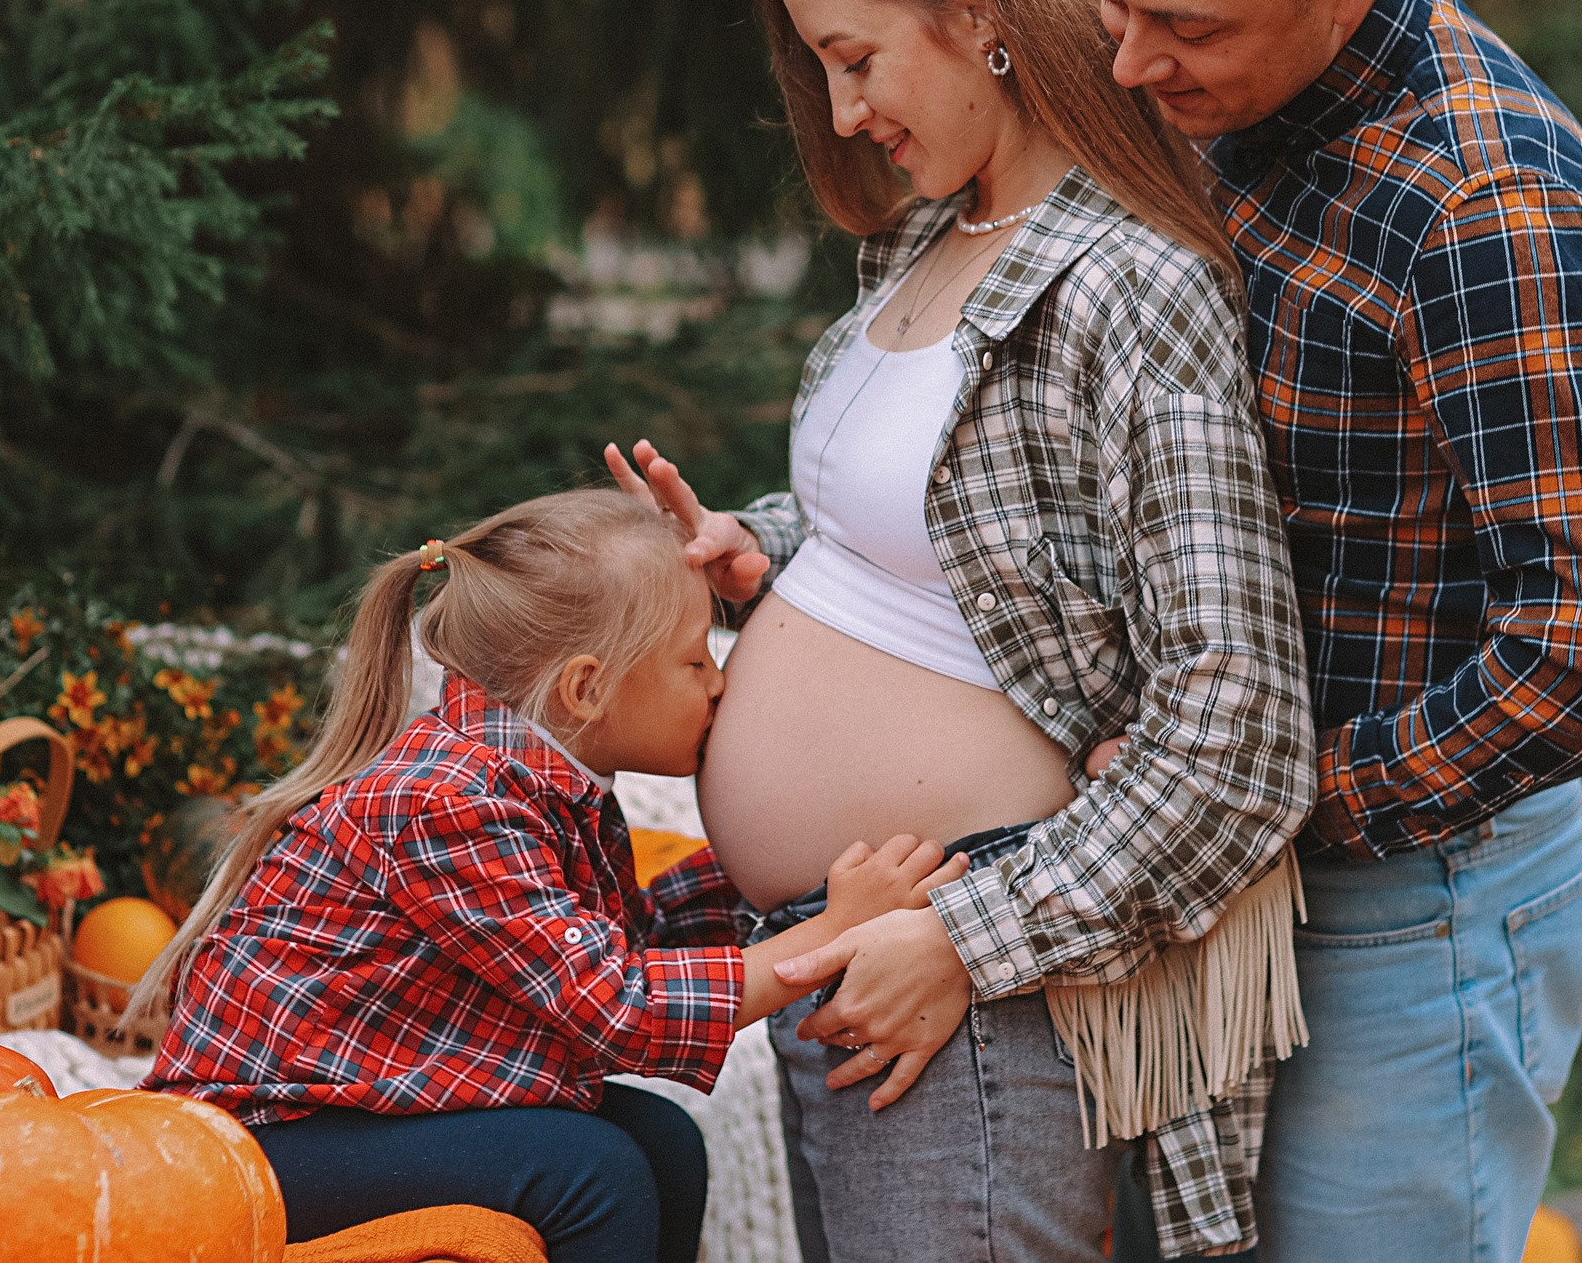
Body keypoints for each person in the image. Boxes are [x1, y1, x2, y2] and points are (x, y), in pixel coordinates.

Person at [604, 0, 1314, 1262]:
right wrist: (770, 551)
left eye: (857, 56)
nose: (845, 105)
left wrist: (966, 939)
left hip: (980, 978)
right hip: (852, 948)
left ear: (979, 6)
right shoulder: (931, 243)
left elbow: (1240, 725)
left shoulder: (1129, 282)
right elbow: (967, 543)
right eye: (819, 64)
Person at [1083, 0, 1582, 1263]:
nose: (1129, 66)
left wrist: (1302, 794)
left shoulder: (1489, 201)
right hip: (1225, 880)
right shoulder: (1219, 98)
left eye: (1185, 25)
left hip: (1416, 903)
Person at [134, 488, 969, 1263]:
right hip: (261, 1139)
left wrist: (788, 866)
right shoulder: (445, 801)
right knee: (589, 1171)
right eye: (695, 662)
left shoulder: (531, 783)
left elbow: (620, 943)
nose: (720, 684)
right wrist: (826, 933)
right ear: (587, 687)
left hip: (355, 1107)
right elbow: (617, 1008)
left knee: (665, 1141)